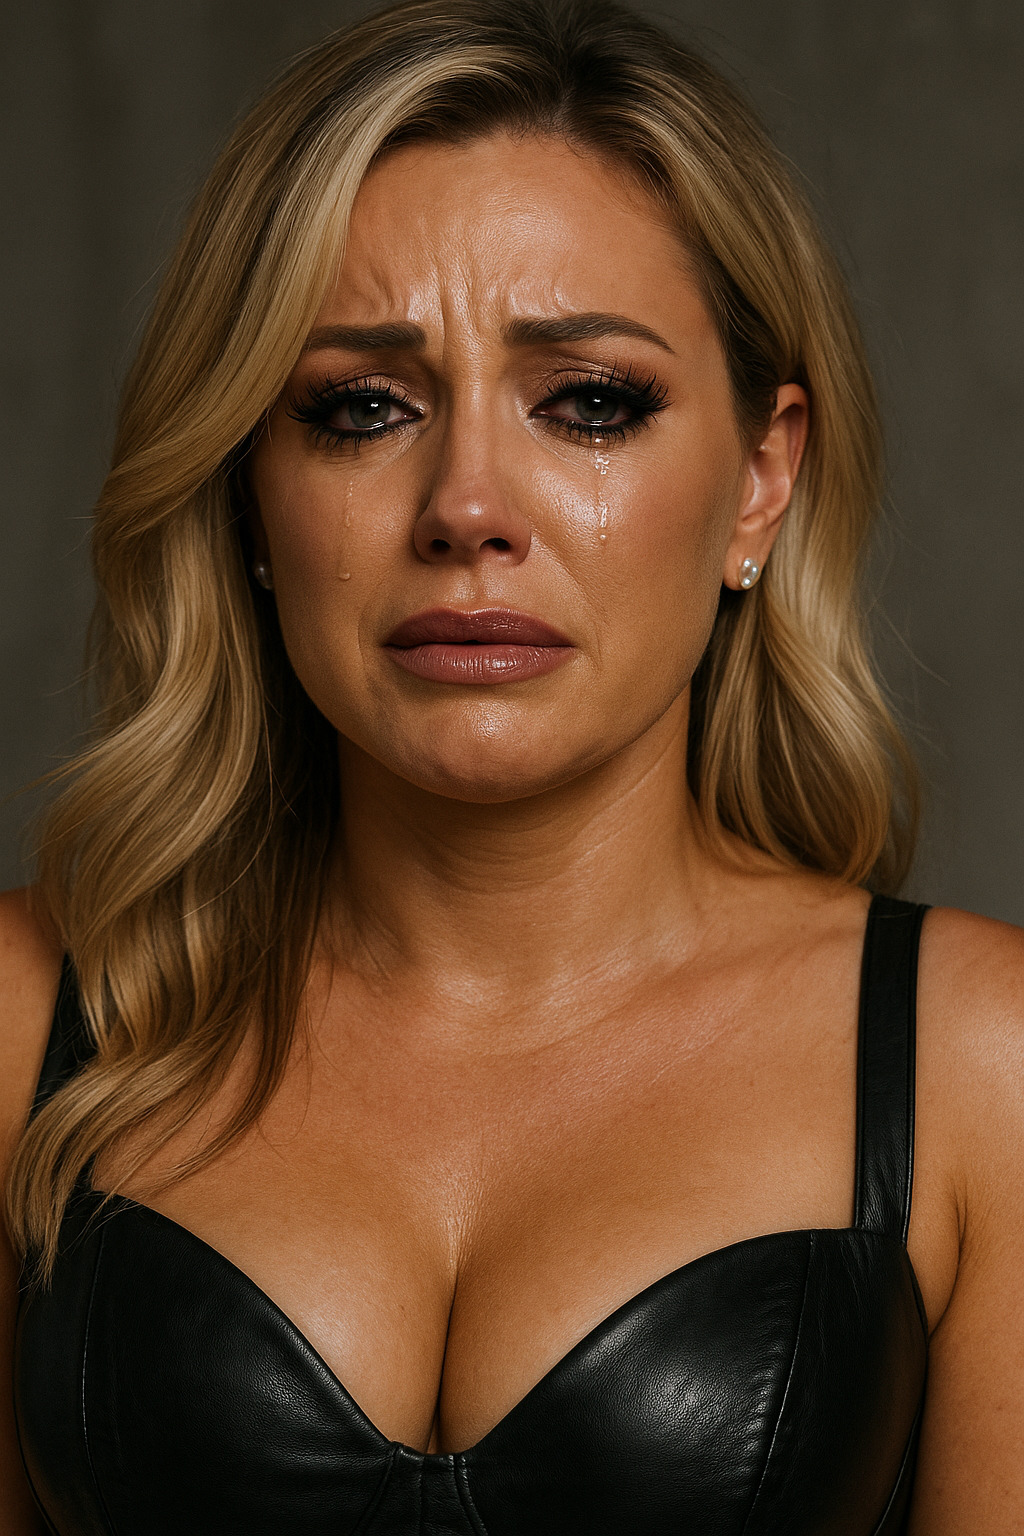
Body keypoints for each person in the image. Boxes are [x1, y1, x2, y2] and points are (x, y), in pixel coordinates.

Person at [2, 0, 1023, 1529]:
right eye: (361, 409)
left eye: (588, 404)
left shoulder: (978, 1071)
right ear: (247, 493)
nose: (468, 505)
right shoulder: (26, 1025)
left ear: (762, 479)